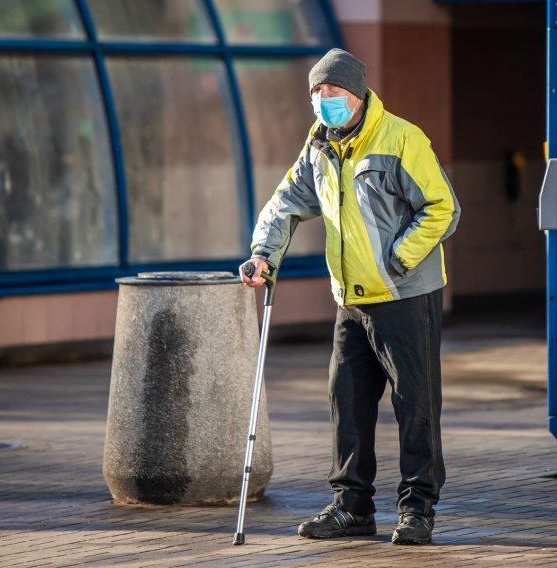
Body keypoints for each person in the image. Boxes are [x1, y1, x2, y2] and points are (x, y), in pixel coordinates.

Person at [241, 48, 460, 545]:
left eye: (331, 91)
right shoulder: (319, 145)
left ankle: (418, 509)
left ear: (356, 94)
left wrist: (396, 262)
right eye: (315, 92)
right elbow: (286, 202)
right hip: (351, 300)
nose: (322, 101)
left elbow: (444, 208)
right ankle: (352, 507)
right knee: (348, 403)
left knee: (415, 406)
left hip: (404, 295)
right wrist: (262, 254)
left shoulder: (402, 139)